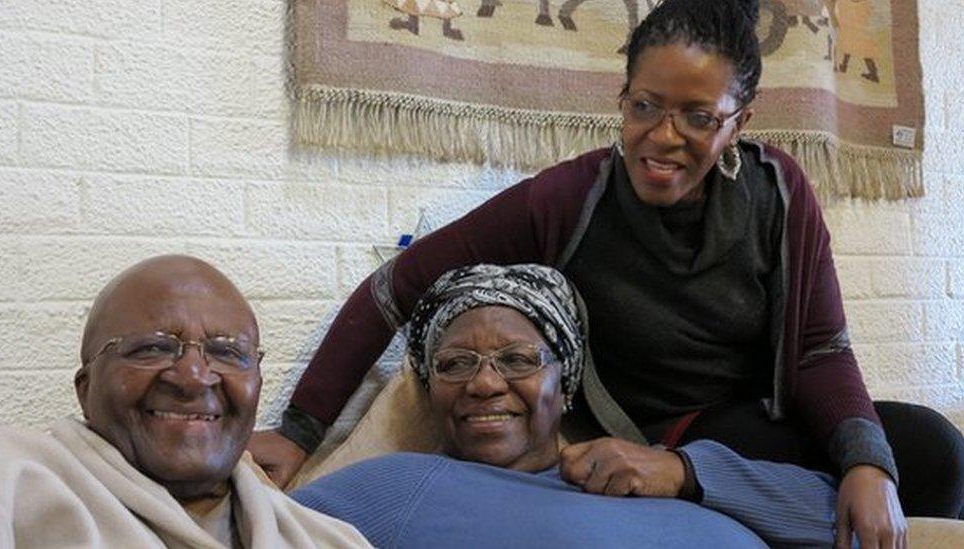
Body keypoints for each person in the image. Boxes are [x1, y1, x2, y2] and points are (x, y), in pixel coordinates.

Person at [251, 0, 964, 545]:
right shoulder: (567, 198)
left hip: (759, 425)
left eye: (697, 117)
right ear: (621, 98)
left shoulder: (779, 193)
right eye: (644, 107)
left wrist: (867, 460)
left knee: (930, 452)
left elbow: (818, 349)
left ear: (739, 122)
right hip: (644, 438)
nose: (662, 136)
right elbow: (395, 286)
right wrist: (298, 429)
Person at [291, 264, 844, 548]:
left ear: (567, 383)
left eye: (516, 360)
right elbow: (242, 527)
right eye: (455, 364)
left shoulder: (638, 471)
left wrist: (683, 473)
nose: (484, 384)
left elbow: (850, 525)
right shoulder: (397, 488)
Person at [0, 255, 370, 548]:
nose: (194, 377)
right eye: (152, 348)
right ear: (85, 388)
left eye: (226, 352)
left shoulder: (328, 539)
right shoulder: (6, 480)